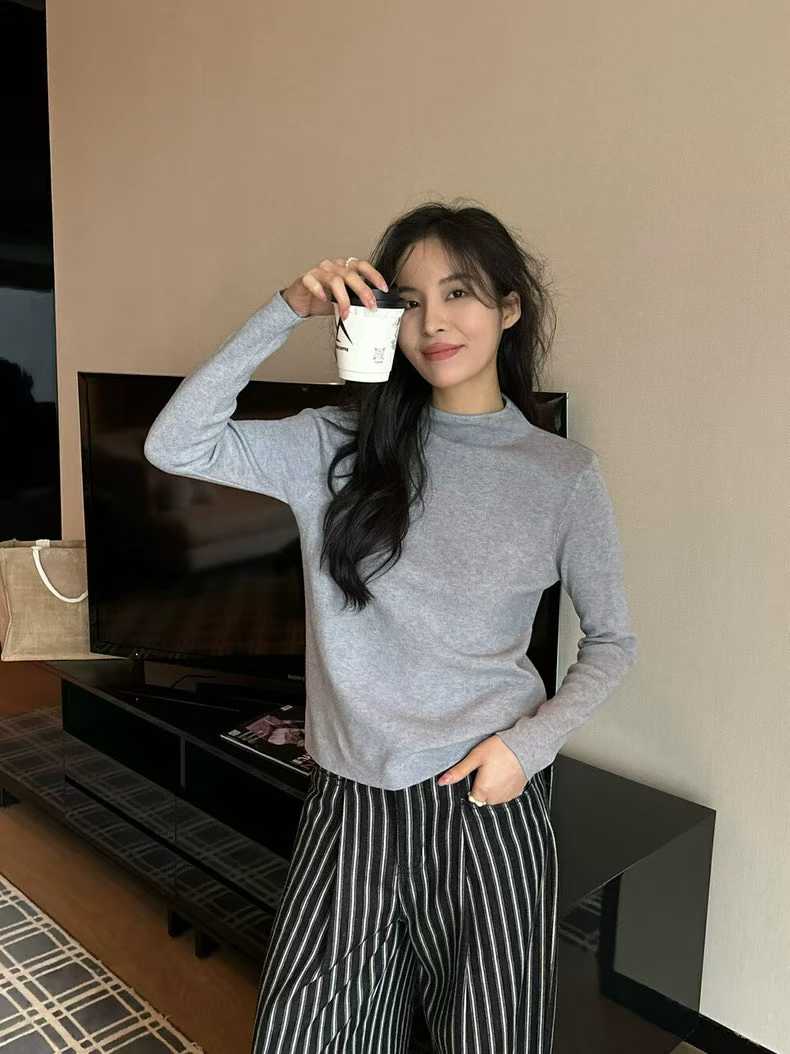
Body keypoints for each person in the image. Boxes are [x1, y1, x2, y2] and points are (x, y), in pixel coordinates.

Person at [143, 199, 639, 1053]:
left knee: (489, 1038)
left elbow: (613, 641)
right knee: (307, 1033)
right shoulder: (335, 445)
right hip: (349, 801)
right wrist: (286, 309)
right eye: (408, 301)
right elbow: (175, 445)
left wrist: (527, 748)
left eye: (459, 293)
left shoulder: (560, 476)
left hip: (484, 801)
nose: (432, 322)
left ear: (509, 307)